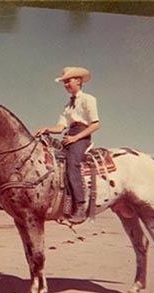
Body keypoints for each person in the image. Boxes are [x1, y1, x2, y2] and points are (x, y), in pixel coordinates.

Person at [35, 67, 100, 224]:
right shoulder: (67, 106)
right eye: (64, 82)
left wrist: (76, 137)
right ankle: (63, 203)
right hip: (70, 135)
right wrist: (46, 128)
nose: (66, 85)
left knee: (72, 163)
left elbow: (96, 124)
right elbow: (60, 127)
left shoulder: (88, 99)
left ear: (78, 80)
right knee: (55, 162)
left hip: (82, 136)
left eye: (68, 81)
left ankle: (80, 206)